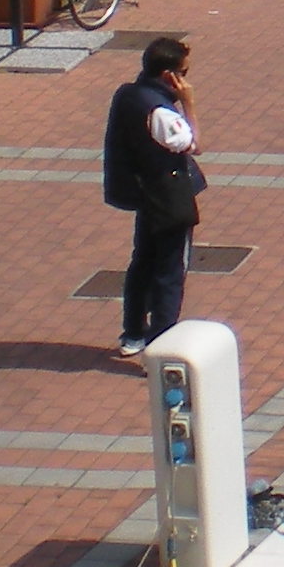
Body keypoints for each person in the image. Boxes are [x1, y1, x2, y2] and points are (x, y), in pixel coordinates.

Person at [100, 35, 204, 359]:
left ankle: (133, 332)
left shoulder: (128, 95)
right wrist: (189, 103)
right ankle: (161, 342)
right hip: (170, 197)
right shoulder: (161, 113)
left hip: (143, 192)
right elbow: (192, 143)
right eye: (183, 74)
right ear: (169, 76)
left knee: (142, 262)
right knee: (170, 271)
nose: (185, 80)